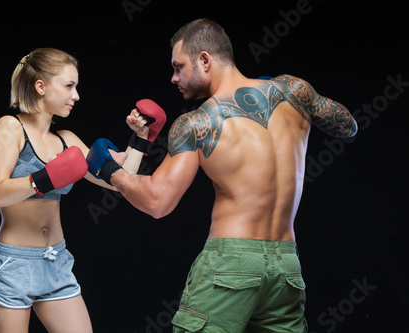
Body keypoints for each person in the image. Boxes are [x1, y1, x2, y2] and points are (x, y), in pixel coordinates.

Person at [86, 19, 358, 332]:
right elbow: (348, 125)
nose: (173, 77)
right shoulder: (294, 91)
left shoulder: (197, 123)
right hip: (286, 266)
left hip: (231, 266)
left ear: (204, 60)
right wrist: (300, 100)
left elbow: (157, 202)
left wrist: (110, 170)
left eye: (178, 67)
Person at [0, 47, 154, 333]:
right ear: (41, 86)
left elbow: (122, 182)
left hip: (56, 262)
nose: (76, 96)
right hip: (14, 264)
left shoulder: (67, 140)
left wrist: (140, 139)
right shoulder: (10, 128)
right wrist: (45, 178)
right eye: (69, 86)